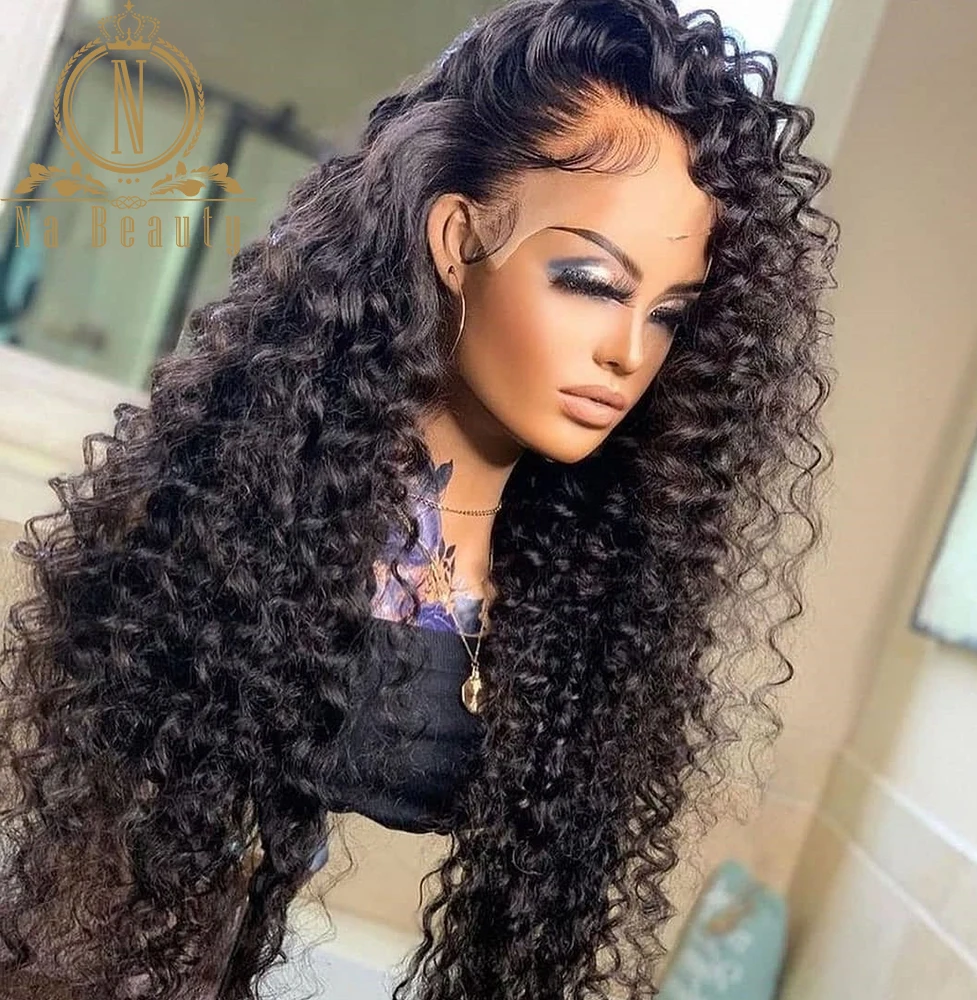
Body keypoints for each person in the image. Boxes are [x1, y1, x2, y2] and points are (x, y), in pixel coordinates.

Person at [0, 0, 839, 997]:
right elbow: (100, 893)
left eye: (667, 315)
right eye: (589, 281)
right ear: (455, 239)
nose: (628, 352)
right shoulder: (244, 517)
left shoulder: (593, 591)